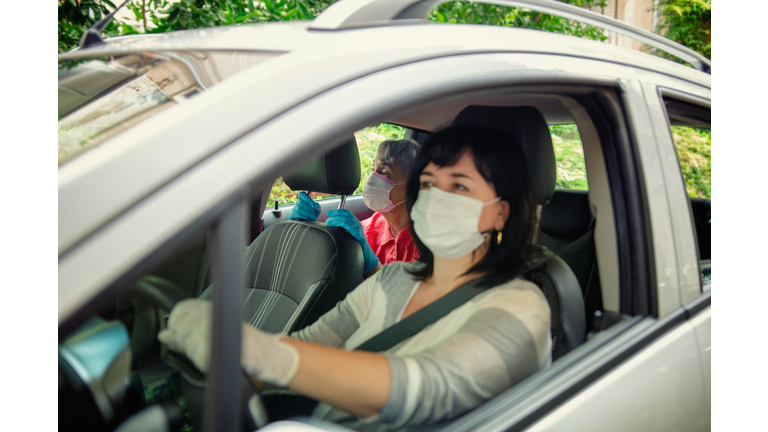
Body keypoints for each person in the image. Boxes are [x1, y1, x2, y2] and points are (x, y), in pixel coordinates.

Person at [158, 126, 552, 430]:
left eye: (460, 186)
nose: (436, 198)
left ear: (501, 213)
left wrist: (253, 350)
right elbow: (308, 347)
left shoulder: (522, 306)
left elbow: (417, 388)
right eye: (429, 184)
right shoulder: (390, 281)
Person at [289, 139, 421, 277]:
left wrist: (371, 264)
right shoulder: (367, 231)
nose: (372, 178)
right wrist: (303, 233)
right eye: (373, 169)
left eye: (384, 173)